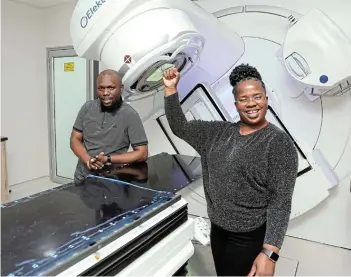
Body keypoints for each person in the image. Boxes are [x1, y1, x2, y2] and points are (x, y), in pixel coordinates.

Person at [162, 64, 298, 276]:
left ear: (266, 99)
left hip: (249, 236)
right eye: (244, 99)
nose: (251, 103)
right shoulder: (216, 133)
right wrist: (170, 90)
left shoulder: (278, 143)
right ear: (235, 104)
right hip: (218, 230)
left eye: (257, 97)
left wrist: (269, 253)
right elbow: (180, 127)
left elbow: (280, 203)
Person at [70, 69, 148, 182]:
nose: (105, 93)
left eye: (111, 88)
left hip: (113, 179)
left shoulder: (130, 115)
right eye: (101, 88)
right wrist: (87, 160)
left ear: (121, 89)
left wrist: (108, 159)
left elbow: (142, 153)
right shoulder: (87, 108)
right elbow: (74, 139)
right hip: (83, 178)